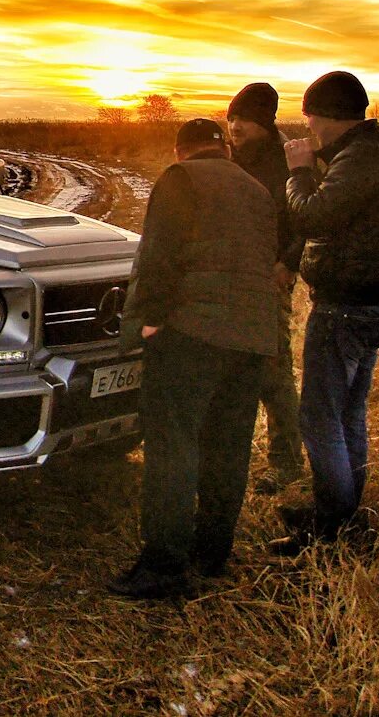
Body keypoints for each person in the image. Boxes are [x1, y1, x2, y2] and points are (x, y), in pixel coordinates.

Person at [110, 118, 280, 600]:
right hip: (252, 338)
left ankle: (163, 566)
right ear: (223, 148)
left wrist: (149, 320)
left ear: (181, 149)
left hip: (192, 334)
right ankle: (212, 554)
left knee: (173, 445)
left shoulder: (180, 179)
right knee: (228, 446)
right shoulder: (258, 189)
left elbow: (161, 254)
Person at [277, 71, 379, 551]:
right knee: (349, 414)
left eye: (311, 118)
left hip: (344, 308)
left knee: (319, 417)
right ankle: (344, 515)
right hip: (369, 304)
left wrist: (298, 171)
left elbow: (312, 214)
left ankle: (330, 526)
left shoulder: (359, 159)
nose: (309, 129)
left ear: (329, 116)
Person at [225, 82, 305, 492]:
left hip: (268, 279)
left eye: (245, 120)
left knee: (273, 371)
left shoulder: (289, 163)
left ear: (265, 124)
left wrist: (288, 263)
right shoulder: (228, 160)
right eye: (232, 118)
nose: (235, 127)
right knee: (228, 370)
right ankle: (226, 456)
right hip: (227, 279)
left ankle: (286, 462)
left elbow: (307, 221)